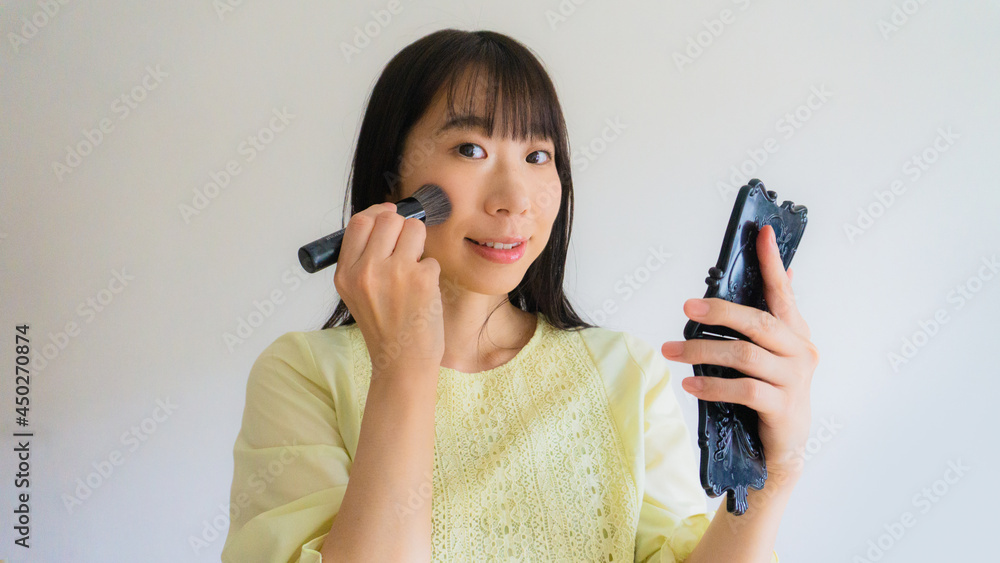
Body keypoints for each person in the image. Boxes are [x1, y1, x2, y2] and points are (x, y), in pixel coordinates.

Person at [221, 28, 818, 563]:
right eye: (470, 150)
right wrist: (403, 365)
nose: (514, 199)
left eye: (537, 156)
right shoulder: (302, 374)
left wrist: (775, 474)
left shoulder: (625, 372)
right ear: (392, 176)